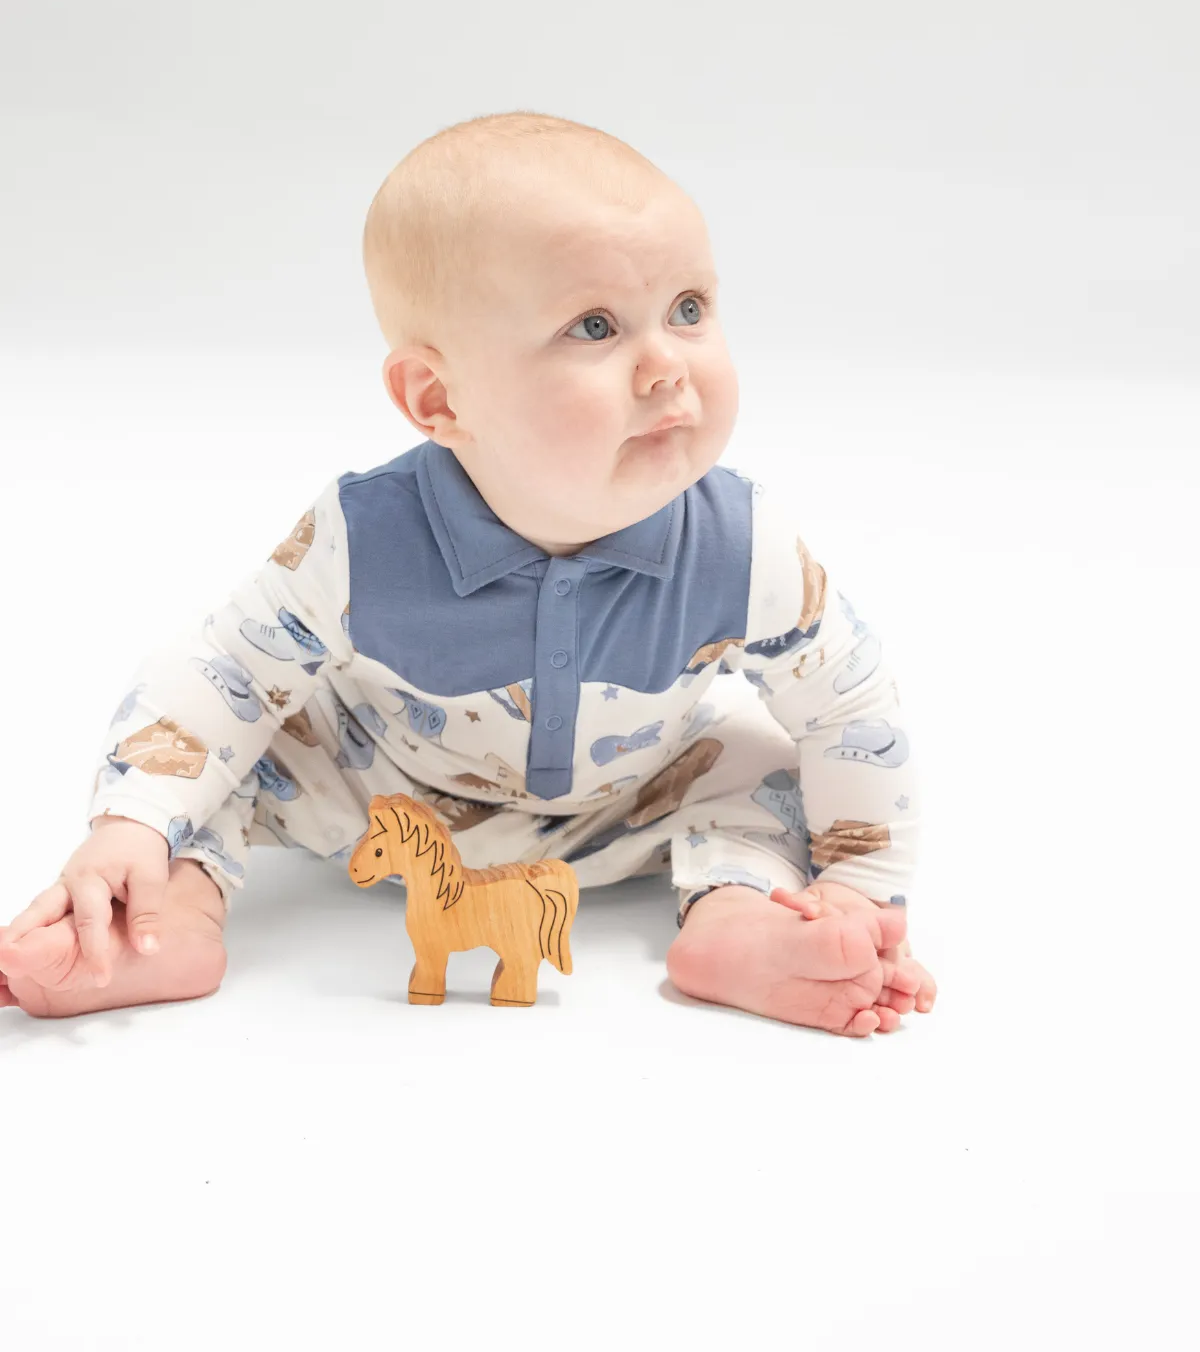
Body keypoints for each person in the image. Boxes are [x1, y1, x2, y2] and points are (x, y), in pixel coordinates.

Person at [0, 112, 937, 1036]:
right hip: (382, 792)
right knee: (246, 749)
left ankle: (740, 922)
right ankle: (163, 919)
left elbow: (849, 706)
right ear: (438, 399)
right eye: (596, 327)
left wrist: (861, 888)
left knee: (763, 769)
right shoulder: (365, 540)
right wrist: (131, 820)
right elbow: (227, 672)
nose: (667, 369)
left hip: (633, 803)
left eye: (689, 309)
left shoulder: (741, 542)